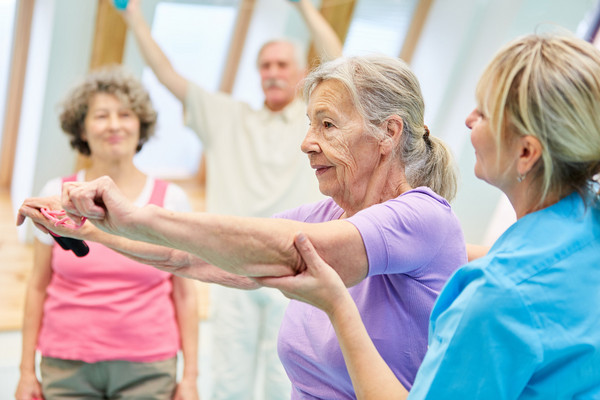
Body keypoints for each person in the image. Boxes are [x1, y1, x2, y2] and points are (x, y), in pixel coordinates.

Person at [19, 55, 467, 399]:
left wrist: (134, 215)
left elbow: (293, 253)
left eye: (327, 125)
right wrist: (94, 231)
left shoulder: (423, 216)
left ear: (389, 132)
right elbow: (187, 257)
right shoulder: (326, 215)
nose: (307, 142)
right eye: (310, 124)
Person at [258, 33, 600, 399]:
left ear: (527, 152)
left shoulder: (495, 297)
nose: (468, 120)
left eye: (483, 112)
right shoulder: (582, 238)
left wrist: (337, 305)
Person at [116, 1, 343, 398]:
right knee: (229, 382)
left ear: (302, 74)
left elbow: (339, 63)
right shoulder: (225, 117)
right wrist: (133, 16)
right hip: (231, 268)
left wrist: (306, 8)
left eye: (282, 65)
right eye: (265, 66)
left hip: (299, 267)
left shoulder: (313, 122)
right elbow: (167, 75)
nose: (273, 73)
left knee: (286, 380)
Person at [14, 67, 199, 400]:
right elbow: (38, 286)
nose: (114, 124)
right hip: (66, 366)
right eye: (101, 115)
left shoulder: (172, 199)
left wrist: (190, 379)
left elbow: (185, 295)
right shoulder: (55, 194)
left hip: (150, 368)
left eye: (125, 114)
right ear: (81, 128)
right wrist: (26, 372)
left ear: (140, 124)